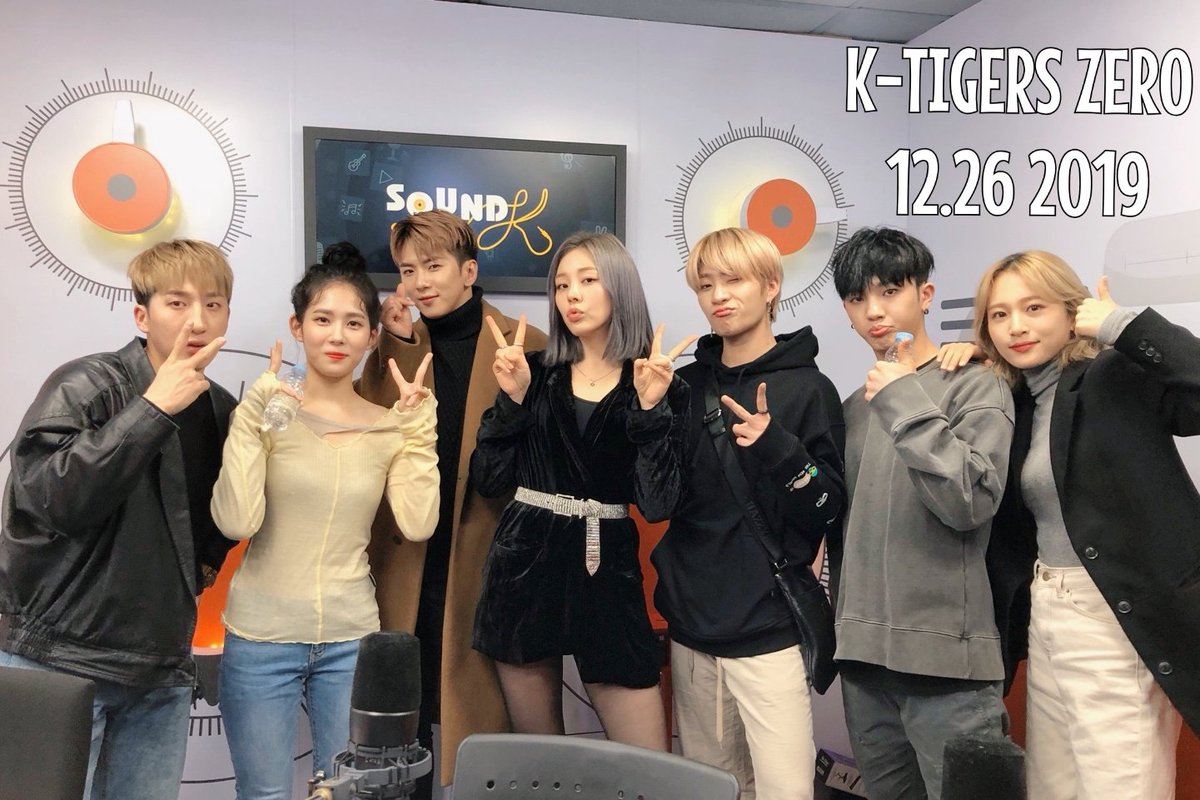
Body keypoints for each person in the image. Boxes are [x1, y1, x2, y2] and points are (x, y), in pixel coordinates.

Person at [0, 239, 235, 800]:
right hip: (59, 657)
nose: (197, 320)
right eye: (177, 303)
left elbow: (217, 524)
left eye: (213, 304)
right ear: (141, 315)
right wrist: (152, 410)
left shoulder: (221, 408)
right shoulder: (86, 385)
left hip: (160, 668)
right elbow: (50, 499)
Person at [963, 251, 1198, 798]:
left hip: (1113, 612)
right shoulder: (1015, 401)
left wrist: (1123, 326)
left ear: (1072, 311)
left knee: (1120, 783)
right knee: (1052, 785)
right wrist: (962, 362)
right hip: (1047, 608)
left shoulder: (1113, 374)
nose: (1016, 326)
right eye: (999, 315)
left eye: (1034, 307)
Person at [211, 247, 439, 800]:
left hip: (350, 637)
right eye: (322, 319)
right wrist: (250, 422)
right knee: (264, 794)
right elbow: (236, 520)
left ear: (372, 337)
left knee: (348, 794)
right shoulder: (267, 416)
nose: (337, 335)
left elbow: (418, 523)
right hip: (260, 636)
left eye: (354, 323)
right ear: (298, 328)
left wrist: (418, 435)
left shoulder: (389, 427)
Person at [470, 231, 690, 750]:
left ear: (619, 288)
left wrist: (651, 411)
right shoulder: (533, 372)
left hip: (606, 573)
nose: (571, 295)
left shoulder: (657, 381)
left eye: (588, 280)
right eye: (562, 284)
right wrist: (512, 401)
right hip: (523, 568)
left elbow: (657, 503)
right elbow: (489, 480)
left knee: (645, 765)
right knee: (541, 764)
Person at [651, 227, 846, 800]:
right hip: (692, 630)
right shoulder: (682, 387)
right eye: (705, 285)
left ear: (770, 287)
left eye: (734, 280)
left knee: (785, 791)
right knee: (711, 790)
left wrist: (778, 449)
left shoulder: (810, 389)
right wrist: (646, 415)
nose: (719, 296)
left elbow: (827, 507)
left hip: (770, 632)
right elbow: (656, 502)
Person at [356, 210, 547, 795]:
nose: (420, 282)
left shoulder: (527, 345)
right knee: (398, 736)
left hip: (486, 560)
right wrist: (393, 346)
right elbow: (372, 440)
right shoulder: (399, 345)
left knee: (482, 734)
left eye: (433, 266)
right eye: (407, 270)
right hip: (407, 558)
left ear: (469, 271)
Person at [829, 227, 1013, 800]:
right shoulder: (852, 408)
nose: (873, 310)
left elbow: (970, 503)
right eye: (857, 298)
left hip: (948, 667)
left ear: (925, 295)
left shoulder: (975, 383)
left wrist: (904, 394)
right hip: (863, 663)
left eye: (889, 291)